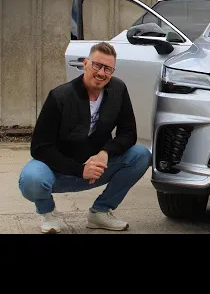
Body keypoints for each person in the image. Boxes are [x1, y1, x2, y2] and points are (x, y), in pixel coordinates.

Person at [18, 41, 152, 233]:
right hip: (58, 170)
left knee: (141, 155)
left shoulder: (118, 90)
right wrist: (80, 170)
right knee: (31, 179)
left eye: (108, 69)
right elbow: (40, 147)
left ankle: (100, 211)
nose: (101, 73)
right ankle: (48, 213)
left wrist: (105, 153)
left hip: (97, 168)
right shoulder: (60, 96)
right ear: (85, 64)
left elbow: (128, 133)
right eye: (97, 65)